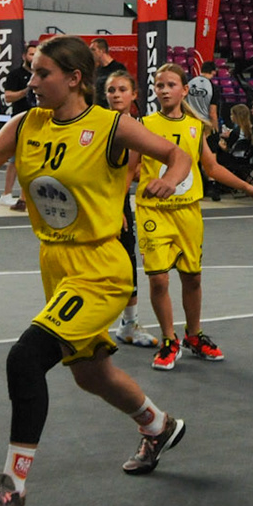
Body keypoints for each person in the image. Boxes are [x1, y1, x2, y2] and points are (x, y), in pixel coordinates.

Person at [0, 36, 194, 506]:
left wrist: (169, 179)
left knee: (26, 359)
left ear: (74, 78)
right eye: (32, 73)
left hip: (101, 267)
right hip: (56, 264)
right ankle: (158, 426)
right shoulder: (26, 124)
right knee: (90, 372)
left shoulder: (111, 125)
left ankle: (12, 491)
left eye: (42, 73)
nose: (31, 82)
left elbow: (177, 155)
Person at [138, 63, 253, 371]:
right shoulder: (143, 125)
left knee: (193, 277)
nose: (164, 90)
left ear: (184, 90)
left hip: (188, 213)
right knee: (158, 279)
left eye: (171, 84)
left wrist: (247, 187)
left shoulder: (196, 127)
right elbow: (129, 170)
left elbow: (211, 168)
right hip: (154, 212)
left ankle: (193, 335)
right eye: (159, 85)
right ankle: (168, 340)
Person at [101, 70, 158, 350]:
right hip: (94, 199)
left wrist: (118, 206)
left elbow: (129, 171)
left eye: (122, 90)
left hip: (117, 201)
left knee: (126, 258)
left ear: (134, 94)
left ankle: (129, 323)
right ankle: (92, 324)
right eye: (111, 90)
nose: (116, 95)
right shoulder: (98, 124)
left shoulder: (136, 127)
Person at [0, 42, 40, 207]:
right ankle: (6, 193)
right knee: (15, 160)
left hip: (38, 121)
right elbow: (8, 97)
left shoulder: (41, 75)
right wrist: (25, 92)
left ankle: (26, 196)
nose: (33, 57)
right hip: (20, 121)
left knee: (33, 161)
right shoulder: (15, 74)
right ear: (24, 56)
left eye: (36, 54)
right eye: (31, 54)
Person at [185, 59, 222, 134]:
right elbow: (212, 113)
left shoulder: (189, 84)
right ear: (213, 72)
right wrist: (216, 130)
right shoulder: (213, 88)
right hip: (204, 124)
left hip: (188, 122)